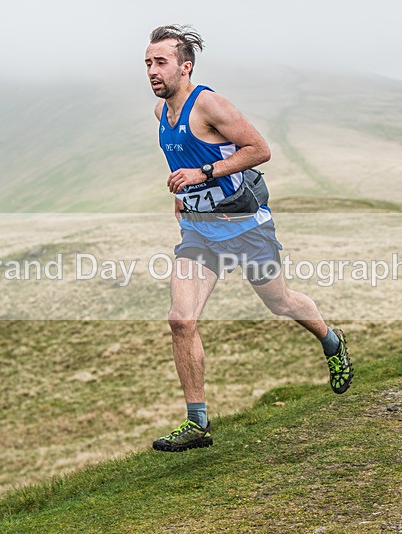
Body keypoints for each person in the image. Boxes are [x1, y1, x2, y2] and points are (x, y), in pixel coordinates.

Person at [144, 25, 353, 452]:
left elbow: (258, 149)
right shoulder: (159, 113)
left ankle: (331, 340)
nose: (152, 70)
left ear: (185, 67)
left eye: (160, 62)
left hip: (246, 228)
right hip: (199, 233)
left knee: (280, 302)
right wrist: (185, 196)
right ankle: (197, 423)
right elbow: (184, 158)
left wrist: (203, 175)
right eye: (147, 63)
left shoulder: (210, 104)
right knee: (181, 320)